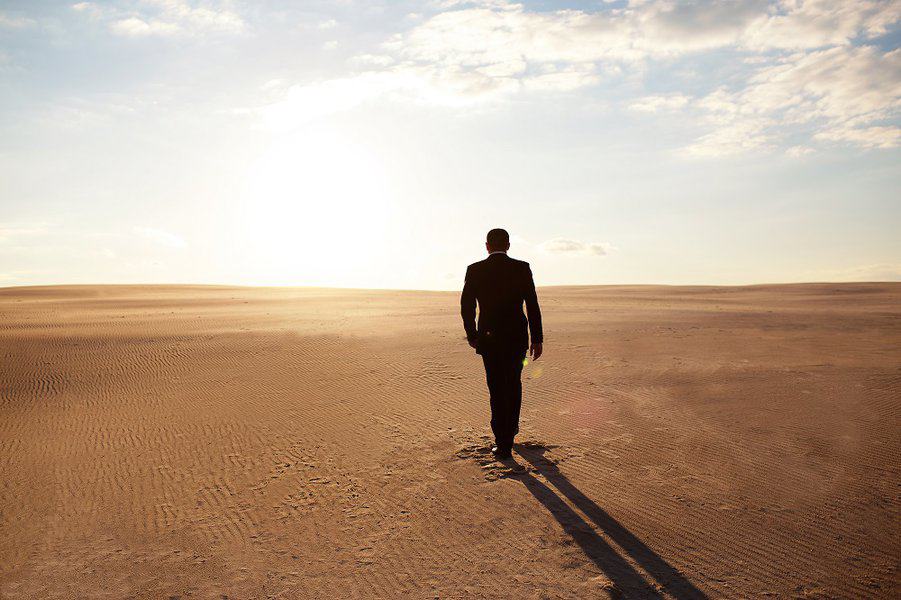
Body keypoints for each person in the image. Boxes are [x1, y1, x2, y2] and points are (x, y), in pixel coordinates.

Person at [461, 228, 543, 460]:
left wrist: (472, 335)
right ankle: (512, 429)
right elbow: (532, 305)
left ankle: (503, 442)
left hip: (489, 338)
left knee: (496, 388)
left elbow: (467, 306)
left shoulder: (475, 270)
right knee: (513, 383)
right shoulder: (521, 268)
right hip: (517, 338)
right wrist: (537, 338)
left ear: (487, 245)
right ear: (508, 245)